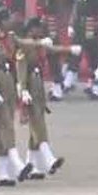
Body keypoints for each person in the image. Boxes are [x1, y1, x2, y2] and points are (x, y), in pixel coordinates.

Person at [0, 7, 50, 187]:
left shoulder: (11, 37)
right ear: (0, 22)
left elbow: (24, 44)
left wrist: (40, 42)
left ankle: (4, 173)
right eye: (7, 19)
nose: (11, 21)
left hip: (9, 87)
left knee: (4, 130)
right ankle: (17, 164)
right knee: (6, 127)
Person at [18, 17, 82, 179]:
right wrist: (23, 90)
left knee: (36, 128)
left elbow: (54, 49)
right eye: (38, 28)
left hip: (38, 87)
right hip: (29, 87)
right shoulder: (25, 45)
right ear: (31, 29)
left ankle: (32, 166)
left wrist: (70, 50)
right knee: (38, 125)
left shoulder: (40, 43)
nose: (41, 31)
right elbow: (21, 68)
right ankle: (48, 159)